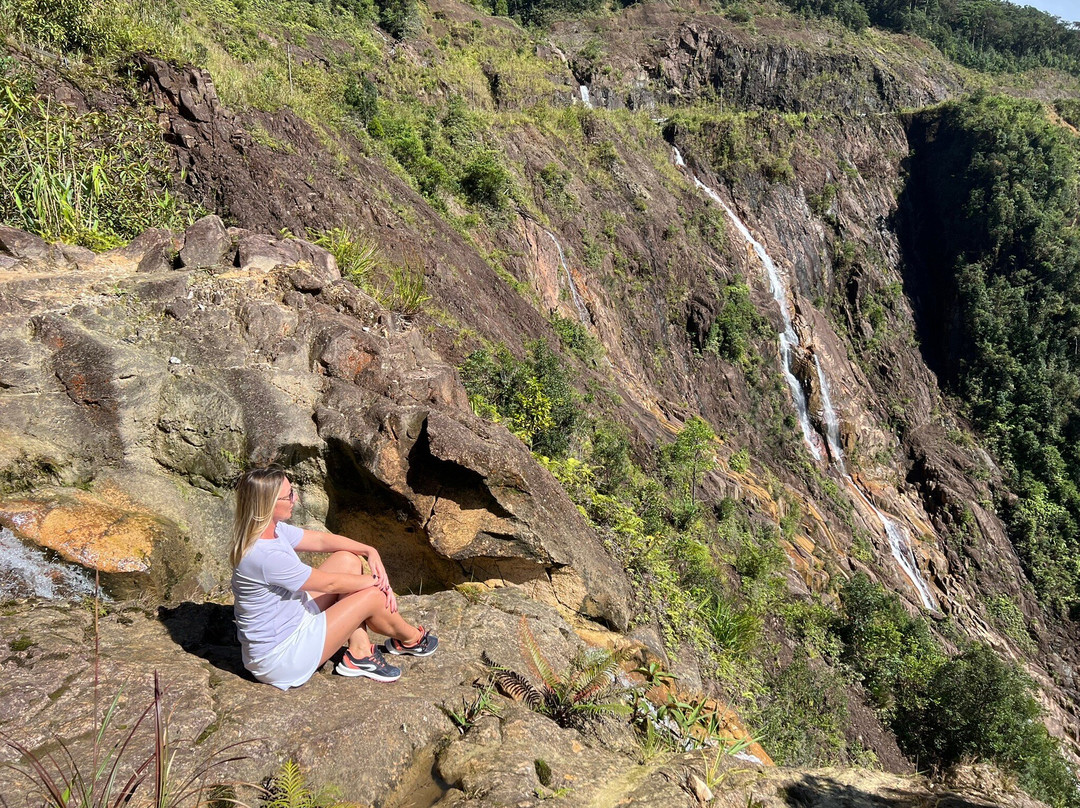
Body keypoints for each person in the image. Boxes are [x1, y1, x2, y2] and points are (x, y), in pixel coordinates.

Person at [230, 465, 438, 690]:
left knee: (348, 560)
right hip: (281, 657)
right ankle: (411, 639)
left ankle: (359, 652)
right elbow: (329, 583)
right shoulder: (264, 555)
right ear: (268, 504)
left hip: (293, 621)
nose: (295, 498)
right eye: (289, 495)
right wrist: (378, 583)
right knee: (373, 596)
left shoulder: (272, 531)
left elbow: (320, 541)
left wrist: (370, 551)